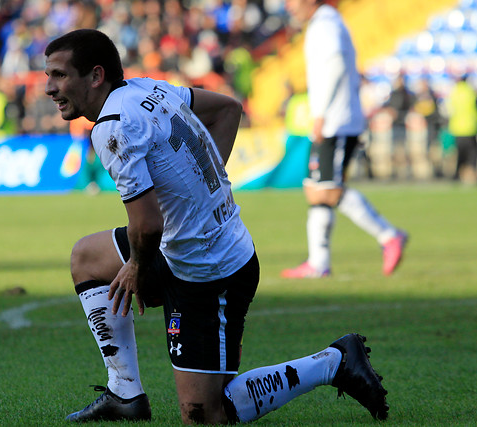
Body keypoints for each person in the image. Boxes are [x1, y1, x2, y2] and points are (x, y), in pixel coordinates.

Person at [45, 28, 389, 424]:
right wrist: (201, 190)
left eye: (59, 75)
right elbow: (228, 108)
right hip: (187, 246)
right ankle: (124, 393)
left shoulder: (112, 127)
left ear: (95, 76)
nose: (50, 88)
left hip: (211, 271)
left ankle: (333, 361)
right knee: (87, 258)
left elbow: (147, 224)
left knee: (204, 414)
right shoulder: (149, 89)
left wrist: (138, 266)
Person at [281, 0, 408, 279]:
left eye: (292, 0)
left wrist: (322, 113)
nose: (288, 6)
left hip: (336, 121)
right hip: (333, 120)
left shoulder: (326, 24)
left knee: (326, 188)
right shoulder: (323, 22)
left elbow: (336, 64)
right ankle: (318, 262)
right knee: (316, 188)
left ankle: (389, 235)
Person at [446, 75, 477, 184]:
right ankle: (473, 174)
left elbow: (449, 108)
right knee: (472, 154)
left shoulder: (454, 91)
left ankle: (457, 175)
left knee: (460, 153)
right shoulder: (471, 91)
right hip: (471, 127)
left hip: (457, 128)